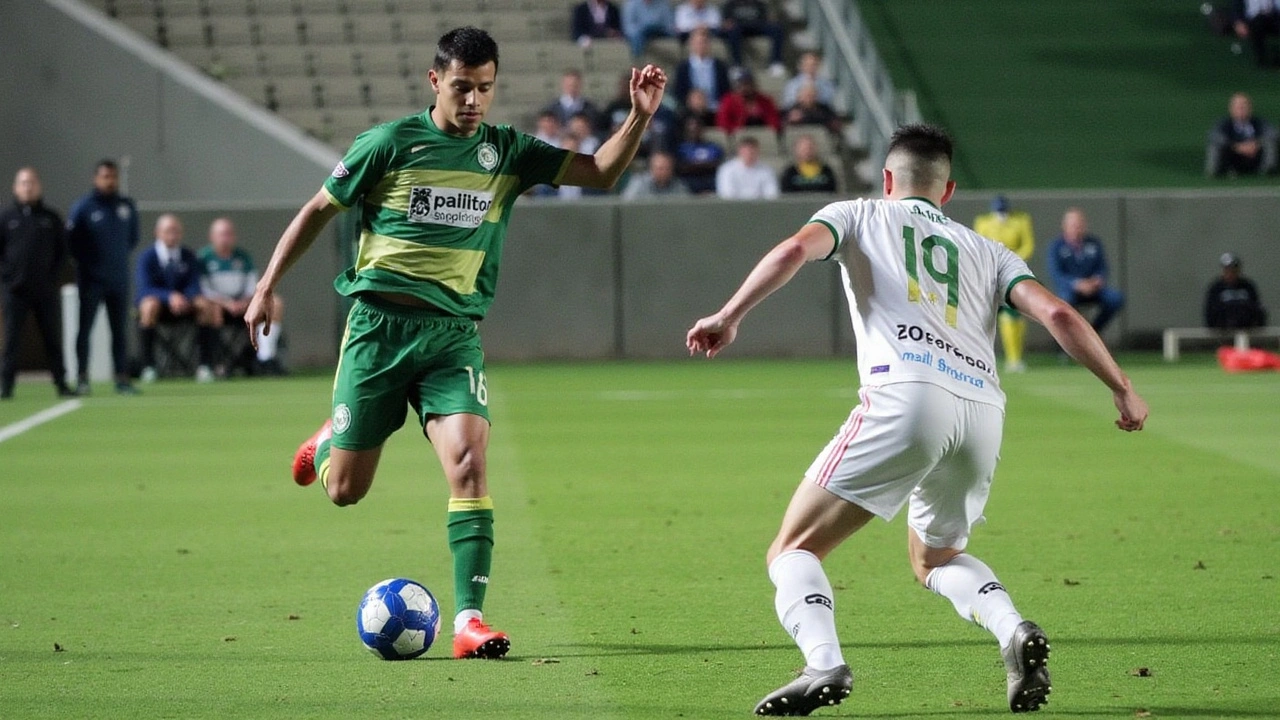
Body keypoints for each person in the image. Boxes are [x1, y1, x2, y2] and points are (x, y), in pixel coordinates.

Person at [686, 123, 1149, 716]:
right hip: (983, 412)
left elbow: (792, 251)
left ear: (887, 180)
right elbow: (1058, 313)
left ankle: (824, 662)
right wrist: (1122, 387)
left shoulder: (855, 214)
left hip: (906, 396)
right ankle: (1011, 630)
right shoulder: (989, 249)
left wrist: (730, 314)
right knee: (935, 558)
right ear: (948, 191)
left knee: (791, 549)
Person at [243, 27, 666, 661]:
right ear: (435, 81)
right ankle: (331, 439)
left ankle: (469, 620)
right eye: (462, 87)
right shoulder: (388, 145)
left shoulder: (508, 151)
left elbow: (601, 172)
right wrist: (267, 285)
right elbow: (316, 211)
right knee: (345, 492)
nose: (474, 100)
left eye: (485, 89)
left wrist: (637, 118)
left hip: (452, 339)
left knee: (469, 465)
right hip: (378, 332)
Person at [66, 159, 139, 395]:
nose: (110, 181)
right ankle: (82, 378)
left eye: (113, 177)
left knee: (119, 331)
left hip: (118, 280)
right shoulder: (83, 207)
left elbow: (132, 239)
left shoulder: (126, 206)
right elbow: (72, 242)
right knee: (84, 329)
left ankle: (121, 378)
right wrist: (90, 264)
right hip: (91, 280)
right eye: (105, 177)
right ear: (96, 179)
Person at [0, 167, 74, 399]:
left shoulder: (50, 219)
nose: (28, 187)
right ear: (15, 187)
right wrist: (8, 277)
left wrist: (51, 278)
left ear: (39, 186)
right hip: (15, 291)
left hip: (45, 290)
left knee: (52, 338)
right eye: (23, 183)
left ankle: (61, 383)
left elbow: (62, 253)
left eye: (31, 182)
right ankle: (6, 385)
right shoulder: (6, 218)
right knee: (11, 339)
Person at [135, 214, 217, 383]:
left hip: (185, 306)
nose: (172, 235)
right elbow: (144, 288)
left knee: (206, 306)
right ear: (157, 233)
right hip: (159, 307)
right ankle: (148, 366)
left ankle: (205, 366)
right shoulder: (147, 257)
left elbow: (195, 284)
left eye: (176, 231)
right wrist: (169, 297)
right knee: (148, 306)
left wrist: (184, 298)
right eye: (168, 231)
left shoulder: (188, 255)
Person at [199, 217, 286, 376]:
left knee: (275, 303)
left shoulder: (243, 257)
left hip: (243, 304)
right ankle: (218, 364)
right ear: (212, 237)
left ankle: (265, 358)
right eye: (221, 234)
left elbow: (253, 286)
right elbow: (203, 289)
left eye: (229, 234)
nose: (225, 238)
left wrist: (244, 302)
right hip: (218, 306)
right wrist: (226, 303)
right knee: (211, 309)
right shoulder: (203, 258)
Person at [973, 195, 1035, 372]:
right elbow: (979, 246)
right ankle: (980, 358)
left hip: (1013, 272)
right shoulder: (983, 222)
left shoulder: (1021, 221)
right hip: (989, 273)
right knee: (985, 315)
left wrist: (1012, 262)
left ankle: (1014, 358)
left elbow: (1028, 245)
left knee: (1014, 314)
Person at [1048, 208, 1125, 335]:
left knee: (1115, 298)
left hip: (1093, 289)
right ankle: (1069, 339)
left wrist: (1096, 281)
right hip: (1070, 291)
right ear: (1065, 226)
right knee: (1065, 302)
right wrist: (1076, 284)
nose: (1077, 228)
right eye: (1073, 225)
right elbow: (1057, 274)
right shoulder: (1056, 247)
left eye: (1079, 224)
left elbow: (1103, 268)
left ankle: (1093, 333)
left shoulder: (1094, 243)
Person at [1206, 92, 1278, 177]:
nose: (1241, 110)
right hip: (1233, 157)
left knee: (1271, 142)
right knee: (1215, 145)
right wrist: (1237, 146)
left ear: (1250, 109)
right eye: (1238, 108)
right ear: (1231, 109)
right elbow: (1215, 136)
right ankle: (1216, 172)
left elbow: (1272, 133)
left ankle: (1269, 170)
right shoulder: (1224, 124)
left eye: (1244, 107)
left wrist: (1256, 144)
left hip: (1256, 155)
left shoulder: (1259, 122)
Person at [720, 0, 787, 75]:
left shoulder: (759, 4)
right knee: (732, 30)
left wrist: (771, 21)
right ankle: (737, 64)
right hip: (739, 29)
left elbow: (767, 19)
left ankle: (776, 62)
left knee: (777, 28)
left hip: (757, 26)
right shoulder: (730, 5)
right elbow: (725, 23)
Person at [674, 28, 732, 113]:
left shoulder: (720, 67)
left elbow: (726, 90)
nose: (701, 46)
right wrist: (691, 99)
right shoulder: (683, 68)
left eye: (704, 42)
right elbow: (678, 92)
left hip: (716, 109)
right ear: (691, 44)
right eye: (698, 43)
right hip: (690, 111)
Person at [1205, 252, 1268, 328]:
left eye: (1233, 270)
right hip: (1222, 335)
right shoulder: (1216, 288)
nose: (1230, 274)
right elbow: (1210, 313)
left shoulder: (1248, 286)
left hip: (1246, 333)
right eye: (1227, 270)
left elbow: (1257, 309)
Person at [716, 68, 781, 135]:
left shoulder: (765, 101)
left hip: (763, 136)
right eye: (741, 84)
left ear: (754, 85)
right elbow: (722, 124)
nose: (744, 88)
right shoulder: (728, 100)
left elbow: (775, 123)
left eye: (747, 84)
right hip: (738, 137)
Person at [675, 116, 725, 194]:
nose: (694, 131)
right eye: (691, 129)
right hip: (690, 181)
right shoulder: (681, 148)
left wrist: (694, 165)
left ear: (702, 129)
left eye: (696, 128)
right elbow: (681, 167)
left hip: (711, 179)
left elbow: (718, 165)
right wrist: (705, 165)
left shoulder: (713, 147)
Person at [622, 151, 691, 198]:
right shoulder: (639, 183)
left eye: (667, 168)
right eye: (660, 168)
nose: (664, 172)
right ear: (651, 168)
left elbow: (686, 206)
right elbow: (627, 204)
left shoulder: (678, 185)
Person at [1233, 0, 1280, 66]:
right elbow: (1236, 5)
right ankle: (1262, 59)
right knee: (1257, 24)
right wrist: (1238, 22)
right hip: (1253, 19)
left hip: (1274, 16)